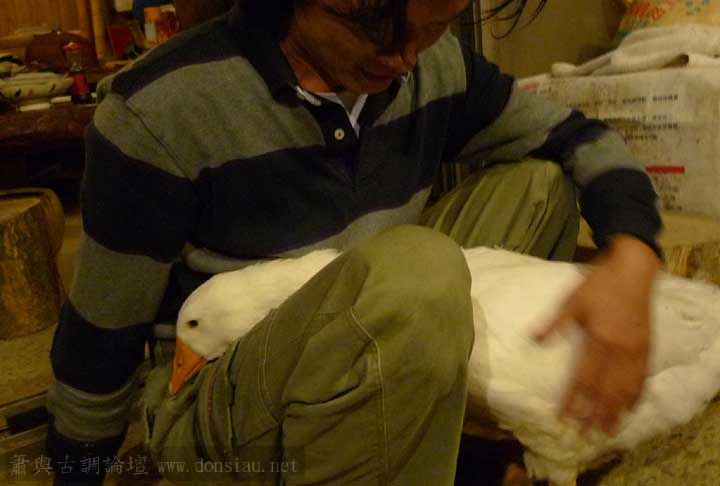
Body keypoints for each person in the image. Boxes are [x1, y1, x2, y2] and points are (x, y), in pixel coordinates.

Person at [46, 0, 662, 484]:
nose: (405, 59)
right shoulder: (160, 109)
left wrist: (633, 257)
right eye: (374, 27)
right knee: (420, 272)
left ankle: (450, 436)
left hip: (386, 316)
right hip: (224, 399)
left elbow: (577, 137)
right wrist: (76, 467)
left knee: (537, 183)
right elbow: (99, 337)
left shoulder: (433, 64)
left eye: (432, 27)